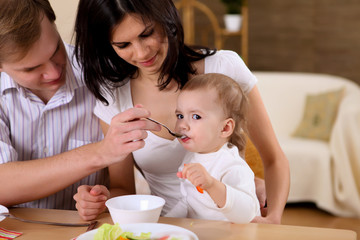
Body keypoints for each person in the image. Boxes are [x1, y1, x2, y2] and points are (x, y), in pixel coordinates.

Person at [74, 0, 290, 224]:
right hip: (169, 225)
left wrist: (272, 220)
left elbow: (274, 159)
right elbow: (123, 188)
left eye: (147, 34)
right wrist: (101, 201)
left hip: (233, 224)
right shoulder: (114, 96)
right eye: (123, 45)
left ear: (165, 18)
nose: (141, 52)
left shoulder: (224, 68)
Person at [0, 0, 159, 217]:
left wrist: (101, 201)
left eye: (55, 49)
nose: (54, 73)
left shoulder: (105, 76)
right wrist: (100, 152)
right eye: (32, 68)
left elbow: (123, 191)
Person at [165, 73, 260, 223]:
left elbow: (247, 214)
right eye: (180, 115)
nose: (182, 125)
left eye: (196, 116)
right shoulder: (191, 157)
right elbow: (188, 201)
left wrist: (212, 185)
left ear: (225, 128)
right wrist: (163, 222)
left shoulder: (232, 165)